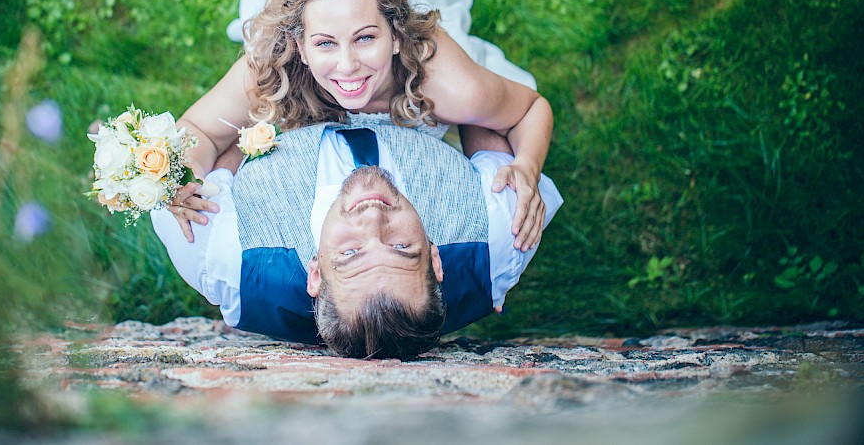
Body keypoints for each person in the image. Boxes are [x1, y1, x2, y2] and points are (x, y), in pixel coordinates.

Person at [169, 0, 554, 257]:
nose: (348, 65)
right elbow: (198, 130)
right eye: (325, 44)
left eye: (365, 38)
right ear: (300, 46)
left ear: (397, 34)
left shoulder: (446, 84)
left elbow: (531, 109)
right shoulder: (272, 67)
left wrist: (526, 166)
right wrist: (189, 180)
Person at [151, 119, 563, 359]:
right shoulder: (497, 239)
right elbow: (491, 122)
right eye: (402, 248)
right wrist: (441, 85)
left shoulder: (222, 257)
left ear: (314, 272)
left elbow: (215, 153)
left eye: (349, 253)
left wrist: (272, 81)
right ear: (437, 263)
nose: (373, 219)